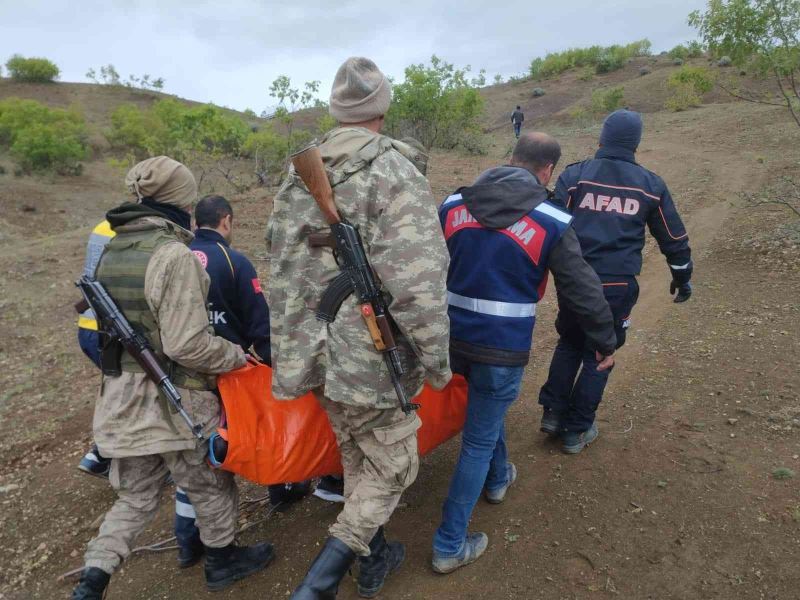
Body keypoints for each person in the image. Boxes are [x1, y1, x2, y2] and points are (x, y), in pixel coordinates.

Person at [267, 57, 451, 599]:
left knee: (357, 455)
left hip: (317, 351)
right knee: (394, 468)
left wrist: (297, 347)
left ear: (335, 109)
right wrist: (437, 361)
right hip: (372, 356)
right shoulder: (393, 172)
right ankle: (319, 582)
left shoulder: (295, 177)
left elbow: (280, 268)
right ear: (383, 108)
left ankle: (372, 563)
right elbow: (419, 283)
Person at [71, 156, 274, 600]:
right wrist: (236, 357)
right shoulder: (171, 254)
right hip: (174, 400)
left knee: (135, 497)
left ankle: (93, 579)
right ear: (182, 201)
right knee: (211, 485)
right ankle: (222, 561)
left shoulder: (110, 249)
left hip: (122, 398)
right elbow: (188, 346)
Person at [432, 132, 618, 574]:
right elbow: (581, 288)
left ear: (511, 158)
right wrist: (604, 341)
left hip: (449, 340)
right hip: (502, 347)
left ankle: (499, 479)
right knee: (477, 439)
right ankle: (448, 544)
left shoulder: (451, 206)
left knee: (485, 414)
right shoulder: (552, 219)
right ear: (548, 170)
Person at [538, 109, 693, 453]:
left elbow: (549, 222)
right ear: (636, 144)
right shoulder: (651, 185)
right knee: (600, 352)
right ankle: (576, 430)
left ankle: (553, 413)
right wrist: (682, 276)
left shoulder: (575, 175)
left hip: (573, 279)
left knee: (569, 340)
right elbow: (673, 237)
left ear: (601, 138)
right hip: (616, 286)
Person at [75, 220, 116, 478]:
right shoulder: (139, 229)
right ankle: (101, 455)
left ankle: (100, 455)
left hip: (89, 327)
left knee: (117, 388)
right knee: (132, 390)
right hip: (110, 330)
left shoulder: (105, 225)